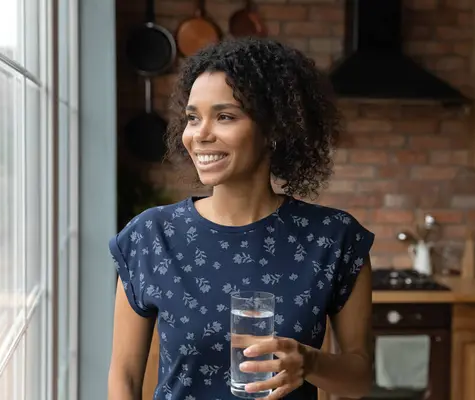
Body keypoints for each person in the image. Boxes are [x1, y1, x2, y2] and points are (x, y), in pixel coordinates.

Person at [108, 37, 375, 400]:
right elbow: (123, 377)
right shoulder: (151, 236)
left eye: (224, 116)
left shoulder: (334, 239)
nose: (199, 134)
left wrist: (310, 362)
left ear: (274, 130)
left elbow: (359, 380)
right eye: (192, 118)